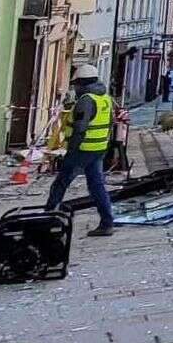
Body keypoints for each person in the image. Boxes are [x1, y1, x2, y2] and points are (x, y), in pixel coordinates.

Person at [45, 64, 116, 237]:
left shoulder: (86, 100)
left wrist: (70, 152)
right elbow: (110, 124)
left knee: (61, 183)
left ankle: (48, 218)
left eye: (76, 84)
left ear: (82, 83)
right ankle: (107, 222)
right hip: (98, 148)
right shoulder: (105, 98)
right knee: (96, 186)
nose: (75, 88)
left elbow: (80, 128)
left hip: (82, 150)